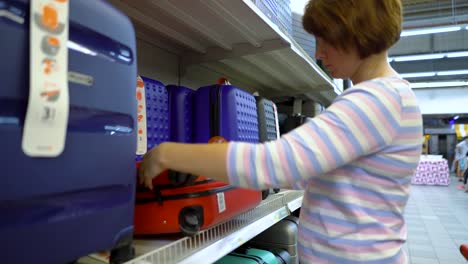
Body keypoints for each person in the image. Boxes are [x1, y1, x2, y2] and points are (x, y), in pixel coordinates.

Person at [139, 0, 422, 263]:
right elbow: (349, 183)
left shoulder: (375, 100)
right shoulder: (392, 95)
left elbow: (277, 165)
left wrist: (169, 153)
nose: (319, 53)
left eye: (326, 39)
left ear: (357, 32)